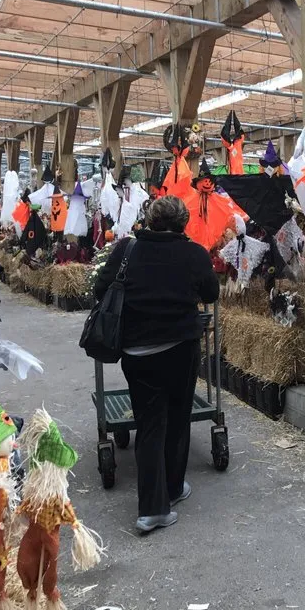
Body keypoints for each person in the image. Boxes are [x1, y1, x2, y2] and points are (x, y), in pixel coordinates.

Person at [94, 195, 220, 533]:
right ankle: (174, 489)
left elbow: (99, 289)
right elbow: (211, 294)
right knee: (178, 419)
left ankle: (153, 508)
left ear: (149, 220)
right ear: (183, 224)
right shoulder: (193, 253)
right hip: (180, 348)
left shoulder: (126, 249)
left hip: (137, 353)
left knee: (150, 425)